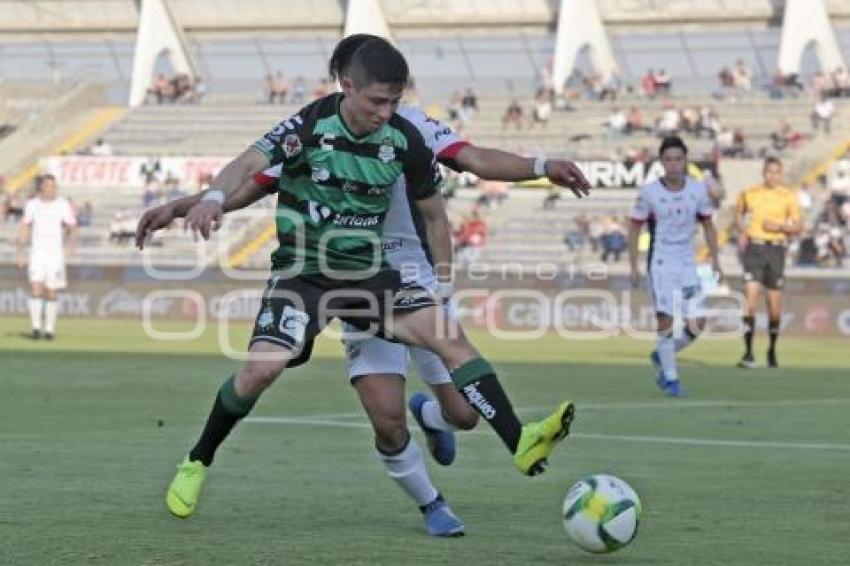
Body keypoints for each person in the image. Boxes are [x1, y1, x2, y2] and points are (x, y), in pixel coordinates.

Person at [136, 38, 590, 526]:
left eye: (395, 101)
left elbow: (451, 194)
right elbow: (249, 174)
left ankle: (520, 442)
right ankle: (198, 459)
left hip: (374, 274)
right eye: (378, 101)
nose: (388, 112)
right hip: (304, 274)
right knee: (263, 372)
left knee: (450, 350)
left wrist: (540, 169)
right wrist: (200, 201)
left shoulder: (407, 136)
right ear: (346, 86)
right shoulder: (309, 128)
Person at [628, 137, 721, 397]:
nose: (673, 164)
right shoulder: (649, 193)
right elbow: (634, 228)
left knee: (697, 324)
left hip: (687, 262)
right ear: (662, 162)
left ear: (685, 161)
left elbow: (708, 225)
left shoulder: (697, 190)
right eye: (668, 159)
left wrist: (716, 258)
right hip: (660, 263)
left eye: (678, 159)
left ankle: (662, 354)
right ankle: (670, 378)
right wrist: (634, 264)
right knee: (665, 320)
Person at [735, 157, 802, 369]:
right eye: (769, 172)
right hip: (754, 249)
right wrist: (743, 230)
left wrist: (780, 226)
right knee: (750, 301)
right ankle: (748, 353)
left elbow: (799, 227)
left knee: (773, 306)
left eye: (776, 172)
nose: (772, 176)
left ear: (780, 174)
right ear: (763, 173)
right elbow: (738, 214)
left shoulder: (787, 196)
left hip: (776, 249)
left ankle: (772, 350)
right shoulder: (749, 193)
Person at [16, 175, 77, 340]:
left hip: (55, 255)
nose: (51, 188)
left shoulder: (62, 205)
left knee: (51, 292)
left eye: (53, 186)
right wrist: (21, 251)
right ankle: (35, 328)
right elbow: (25, 227)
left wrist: (70, 246)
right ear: (41, 187)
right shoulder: (32, 205)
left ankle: (49, 329)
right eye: (48, 185)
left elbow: (72, 226)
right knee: (35, 288)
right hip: (37, 253)